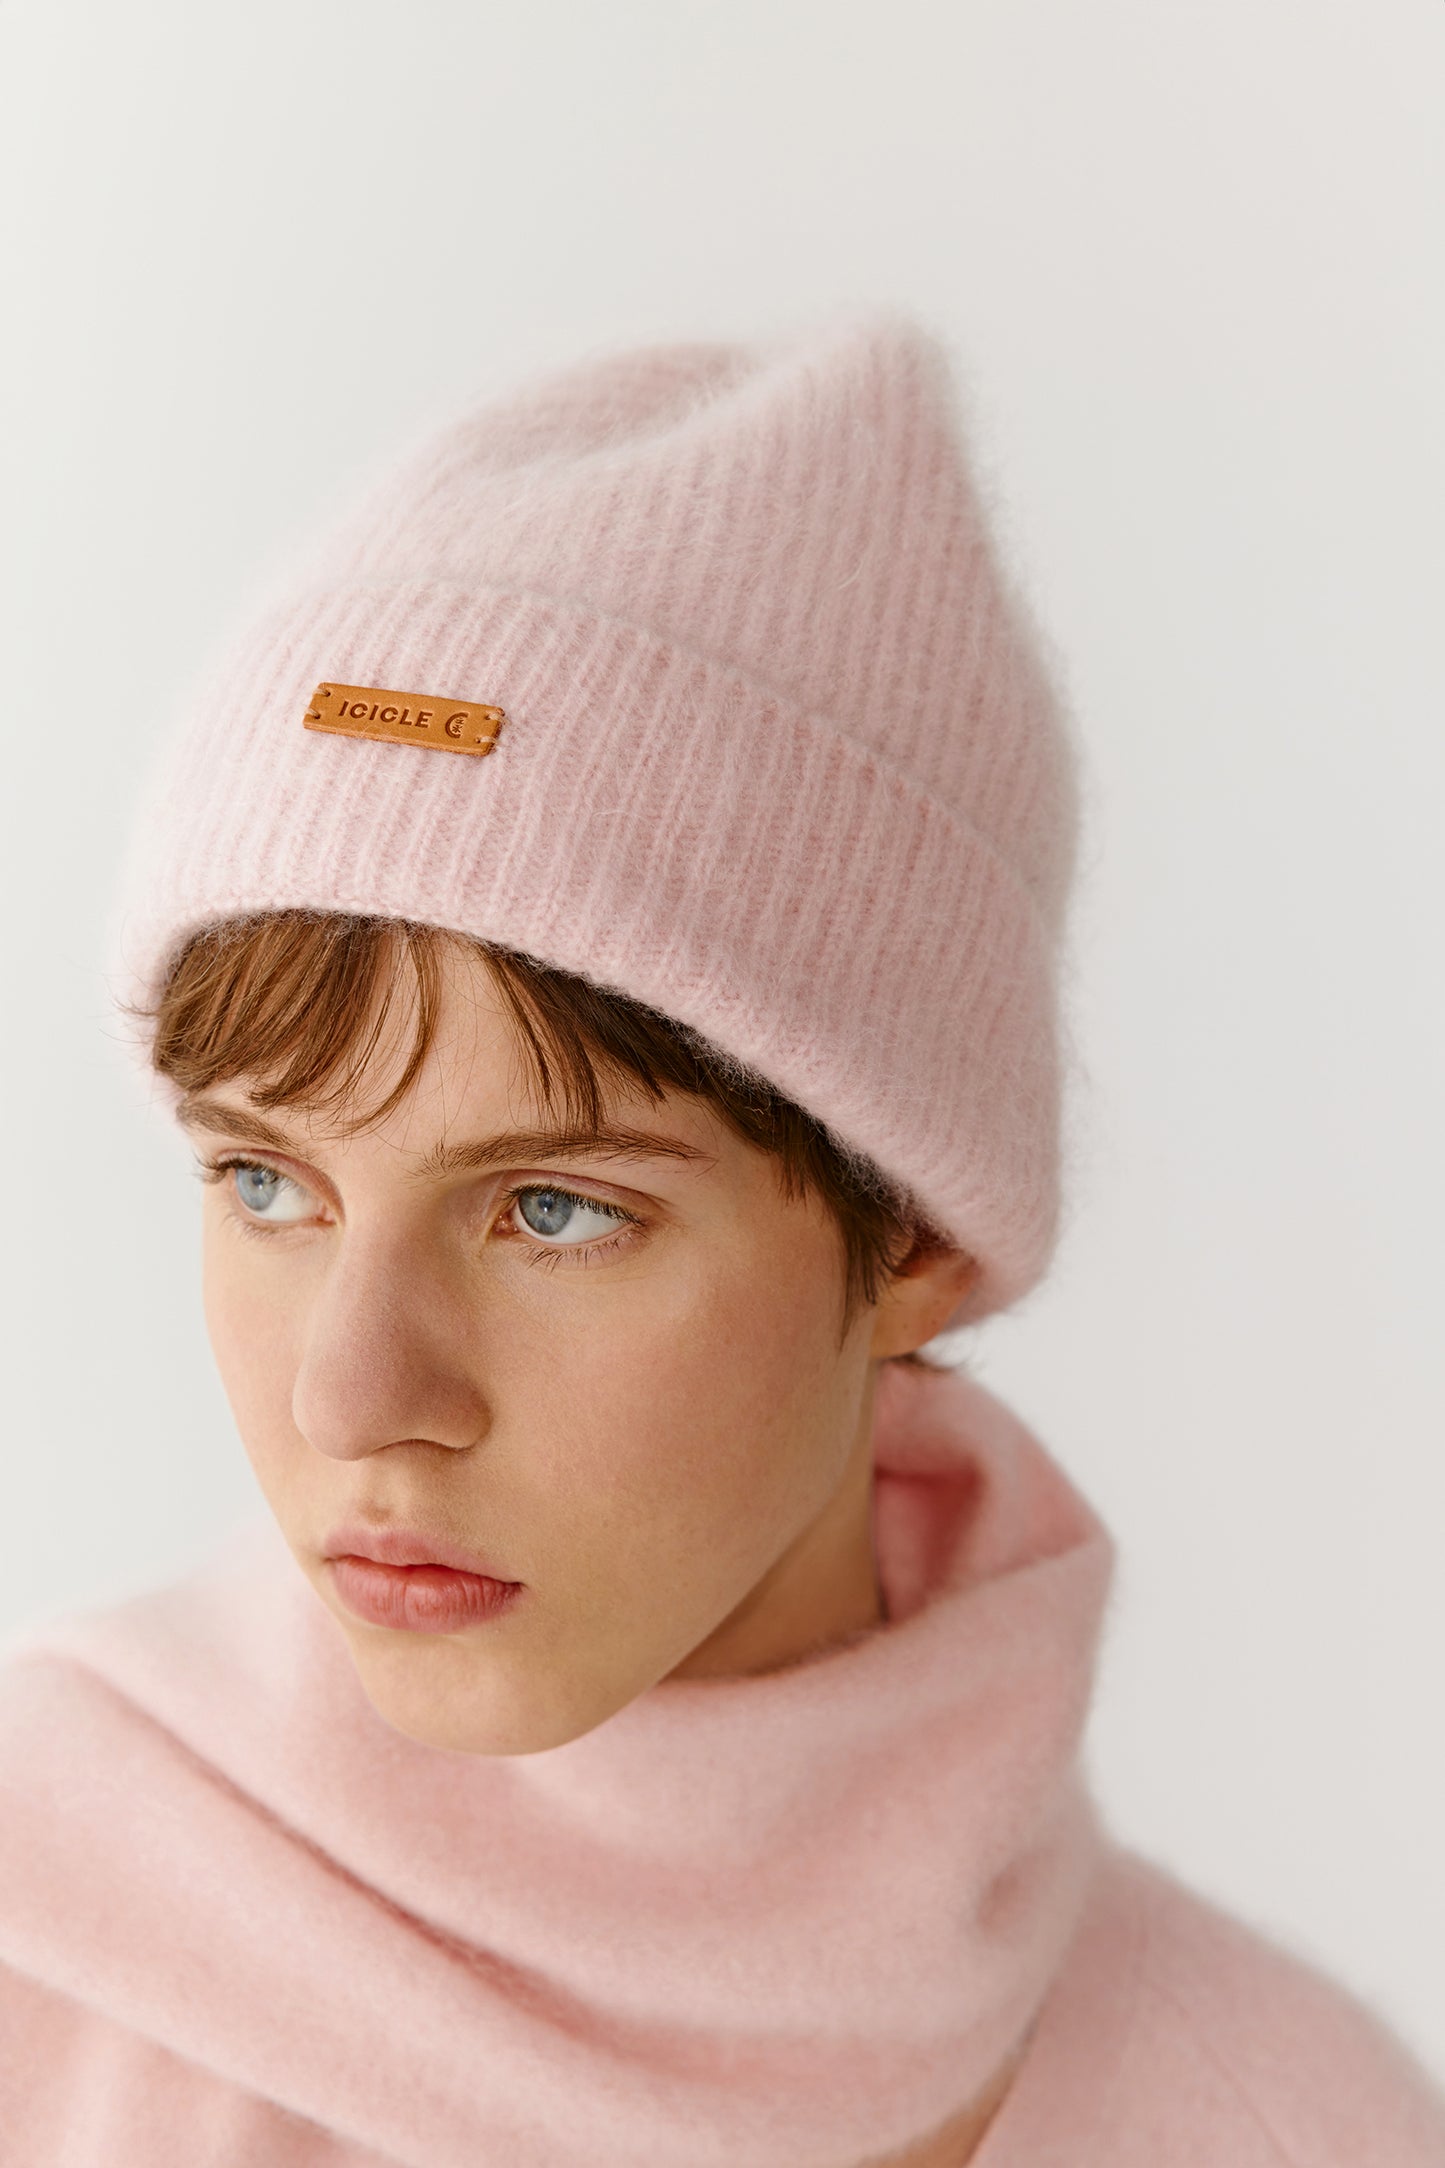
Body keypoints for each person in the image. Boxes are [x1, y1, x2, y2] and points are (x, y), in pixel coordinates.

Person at [0, 316, 1440, 2168]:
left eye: (551, 1209)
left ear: (907, 1228)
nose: (355, 1394)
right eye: (267, 1184)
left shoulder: (1281, 2122)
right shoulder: (41, 1967)